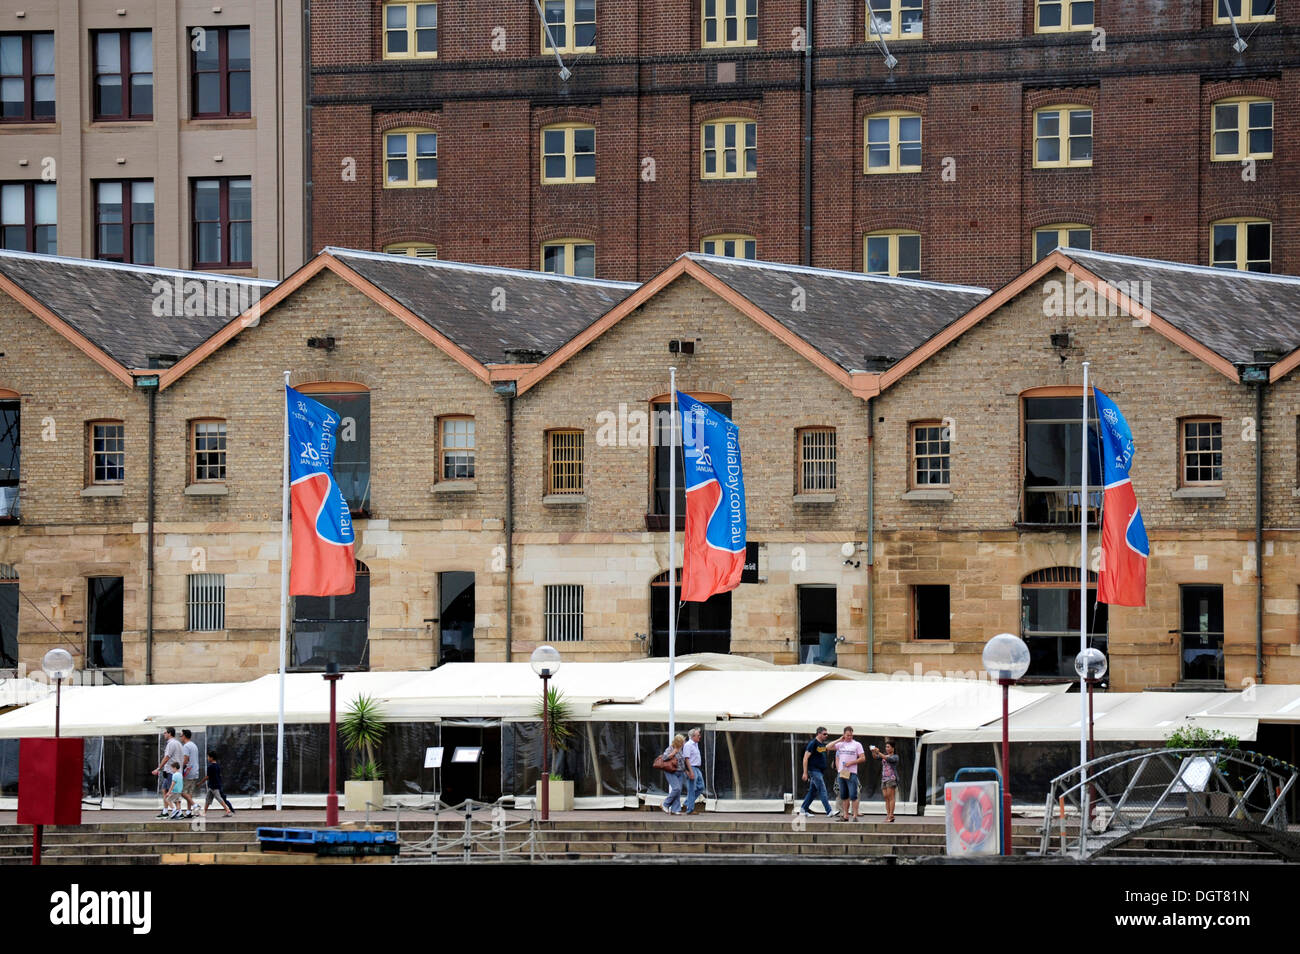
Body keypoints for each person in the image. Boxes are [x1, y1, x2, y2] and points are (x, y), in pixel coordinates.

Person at [796, 726, 837, 818]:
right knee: (822, 789)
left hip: (819, 771)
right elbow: (805, 758)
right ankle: (829, 811)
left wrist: (840, 740)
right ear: (818, 734)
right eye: (824, 734)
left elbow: (830, 747)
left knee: (812, 792)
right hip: (814, 770)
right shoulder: (813, 743)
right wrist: (805, 772)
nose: (826, 735)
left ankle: (803, 810)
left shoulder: (822, 744)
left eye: (827, 734)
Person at [826, 726, 866, 822]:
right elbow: (827, 747)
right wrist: (840, 739)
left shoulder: (857, 744)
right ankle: (845, 815)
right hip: (842, 772)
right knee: (844, 795)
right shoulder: (840, 744)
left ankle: (855, 815)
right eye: (847, 735)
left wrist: (851, 763)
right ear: (844, 734)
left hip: (851, 772)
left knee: (853, 795)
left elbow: (863, 758)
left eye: (851, 735)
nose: (849, 737)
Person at [151, 727, 183, 819]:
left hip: (171, 772)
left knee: (173, 793)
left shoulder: (171, 744)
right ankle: (165, 811)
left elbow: (167, 757)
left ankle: (178, 812)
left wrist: (158, 768)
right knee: (164, 790)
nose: (164, 734)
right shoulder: (178, 743)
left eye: (165, 733)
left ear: (169, 733)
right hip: (172, 771)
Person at [871, 740, 900, 822]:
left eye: (888, 747)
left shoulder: (895, 756)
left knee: (891, 797)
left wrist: (879, 752)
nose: (886, 748)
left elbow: (888, 758)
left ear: (893, 748)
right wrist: (873, 752)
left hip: (891, 778)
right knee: (886, 797)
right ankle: (888, 815)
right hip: (884, 778)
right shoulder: (884, 755)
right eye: (886, 747)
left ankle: (891, 815)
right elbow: (876, 757)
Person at [201, 751, 236, 818]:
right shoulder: (217, 766)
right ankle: (204, 812)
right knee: (208, 798)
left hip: (213, 786)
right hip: (214, 785)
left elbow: (207, 777)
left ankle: (227, 810)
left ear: (211, 758)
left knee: (219, 798)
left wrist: (200, 783)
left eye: (208, 757)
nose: (207, 758)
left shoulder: (210, 767)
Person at [659, 734, 687, 814]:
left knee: (679, 791)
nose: (684, 742)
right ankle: (665, 804)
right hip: (671, 771)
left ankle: (675, 809)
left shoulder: (682, 749)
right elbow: (664, 758)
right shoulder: (670, 748)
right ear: (678, 742)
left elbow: (682, 762)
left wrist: (685, 771)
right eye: (682, 741)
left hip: (680, 772)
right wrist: (673, 753)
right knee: (676, 788)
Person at [681, 728, 704, 815]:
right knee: (691, 789)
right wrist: (690, 771)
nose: (700, 737)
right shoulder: (688, 745)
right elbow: (686, 759)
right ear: (693, 736)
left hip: (697, 768)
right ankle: (690, 809)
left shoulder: (695, 744)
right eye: (698, 735)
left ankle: (687, 802)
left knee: (701, 787)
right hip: (692, 767)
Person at [180, 729, 200, 818]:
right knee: (189, 792)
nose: (180, 737)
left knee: (181, 791)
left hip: (188, 771)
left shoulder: (186, 746)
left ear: (184, 736)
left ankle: (194, 805)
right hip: (195, 771)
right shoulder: (194, 745)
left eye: (181, 735)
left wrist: (179, 768)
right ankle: (188, 811)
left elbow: (185, 759)